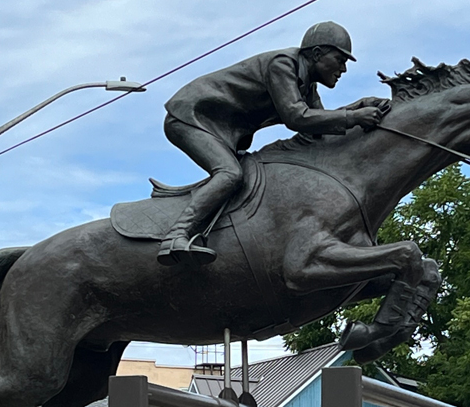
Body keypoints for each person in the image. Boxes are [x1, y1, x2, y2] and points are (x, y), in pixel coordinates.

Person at [158, 21, 390, 265]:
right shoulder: (282, 64)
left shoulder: (307, 84)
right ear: (317, 53)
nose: (343, 69)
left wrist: (359, 106)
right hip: (193, 117)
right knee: (230, 174)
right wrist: (354, 117)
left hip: (221, 129)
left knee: (240, 178)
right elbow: (296, 116)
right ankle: (175, 236)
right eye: (340, 60)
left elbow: (319, 129)